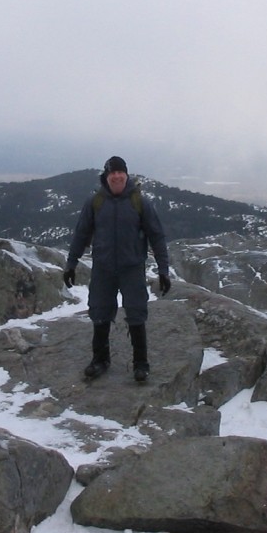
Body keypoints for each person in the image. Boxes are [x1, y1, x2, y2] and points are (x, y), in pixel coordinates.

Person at [63, 156, 171, 383]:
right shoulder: (95, 202)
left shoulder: (139, 201)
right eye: (113, 172)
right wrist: (71, 263)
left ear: (126, 174)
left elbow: (157, 236)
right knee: (100, 312)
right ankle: (100, 360)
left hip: (131, 267)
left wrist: (163, 269)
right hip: (103, 268)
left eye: (121, 172)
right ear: (107, 176)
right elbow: (81, 234)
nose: (117, 176)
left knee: (136, 313)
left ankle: (141, 364)